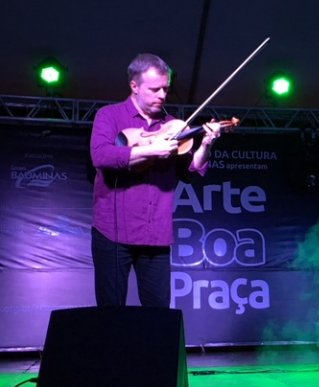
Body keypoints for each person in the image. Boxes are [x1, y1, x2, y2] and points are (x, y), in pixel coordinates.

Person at [90, 53, 221, 307]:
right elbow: (101, 156)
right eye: (154, 89)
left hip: (155, 235)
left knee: (158, 314)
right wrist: (150, 150)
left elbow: (190, 170)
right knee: (110, 312)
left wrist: (206, 144)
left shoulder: (174, 125)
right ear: (134, 86)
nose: (162, 95)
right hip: (112, 232)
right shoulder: (109, 115)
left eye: (165, 89)